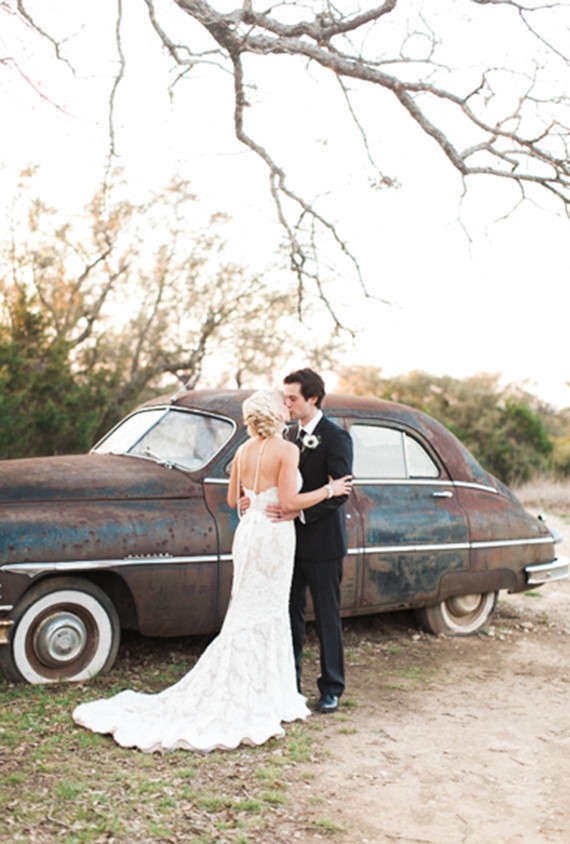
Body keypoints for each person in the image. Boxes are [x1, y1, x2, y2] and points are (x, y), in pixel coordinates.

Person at [72, 389, 351, 753]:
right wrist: (329, 490)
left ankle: (257, 685)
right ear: (273, 414)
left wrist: (253, 499)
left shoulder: (242, 451)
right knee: (270, 610)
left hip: (250, 532)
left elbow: (235, 501)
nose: (287, 406)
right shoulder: (287, 450)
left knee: (249, 608)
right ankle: (269, 692)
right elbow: (288, 503)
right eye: (281, 403)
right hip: (275, 536)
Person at [269, 368, 353, 714]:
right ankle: (290, 683)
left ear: (312, 399)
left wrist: (299, 513)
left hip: (323, 543)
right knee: (290, 613)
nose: (286, 403)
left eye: (292, 398)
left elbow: (341, 491)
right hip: (288, 542)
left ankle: (332, 687)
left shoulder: (336, 437)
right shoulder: (287, 434)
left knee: (327, 616)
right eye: (284, 397)